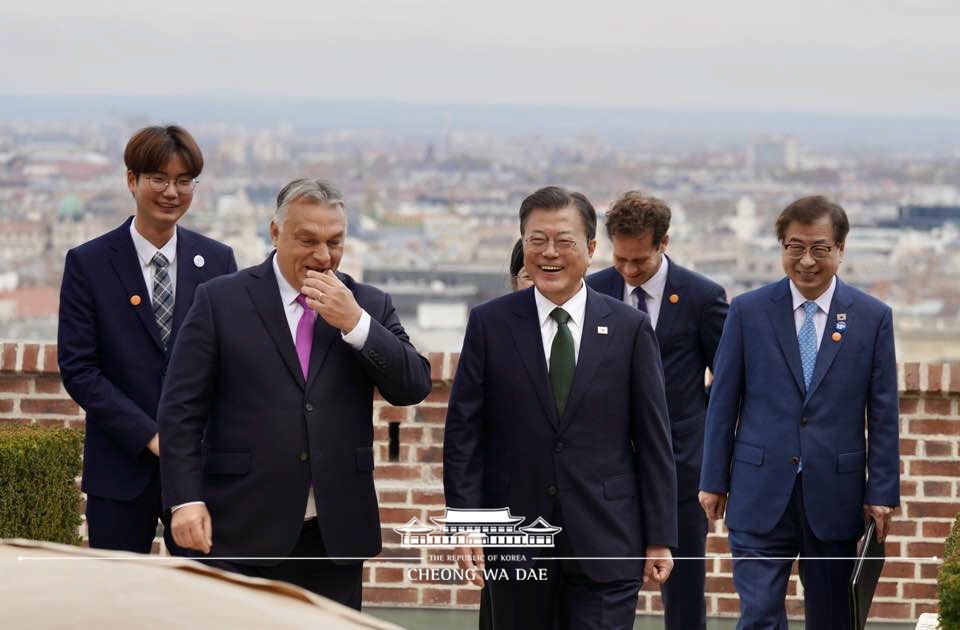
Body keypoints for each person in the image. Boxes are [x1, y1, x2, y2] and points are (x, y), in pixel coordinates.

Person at [157, 178, 432, 609]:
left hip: (335, 533)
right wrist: (185, 500)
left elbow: (413, 386)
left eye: (335, 242)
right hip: (241, 526)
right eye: (307, 240)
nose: (323, 256)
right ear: (275, 232)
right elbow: (180, 412)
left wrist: (356, 324)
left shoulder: (369, 304)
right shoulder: (220, 300)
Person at [444, 186, 677, 630]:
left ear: (590, 249)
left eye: (564, 241)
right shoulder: (490, 324)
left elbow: (653, 440)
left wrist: (660, 537)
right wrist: (467, 526)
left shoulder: (629, 328)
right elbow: (463, 435)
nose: (549, 253)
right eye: (537, 240)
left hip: (607, 536)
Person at [699, 195, 899, 629]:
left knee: (831, 619)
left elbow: (883, 412)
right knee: (758, 617)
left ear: (840, 251)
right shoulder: (748, 311)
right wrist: (712, 479)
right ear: (781, 248)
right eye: (794, 247)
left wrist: (882, 491)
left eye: (819, 249)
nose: (806, 260)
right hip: (758, 488)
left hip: (836, 494)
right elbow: (723, 401)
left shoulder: (872, 317)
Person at [57, 125, 237, 553]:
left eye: (183, 181)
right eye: (158, 178)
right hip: (122, 466)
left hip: (200, 468)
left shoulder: (217, 259)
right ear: (132, 181)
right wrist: (150, 435)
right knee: (118, 602)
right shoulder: (89, 262)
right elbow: (79, 369)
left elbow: (233, 360)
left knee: (203, 595)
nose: (171, 192)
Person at [586, 191, 727, 630]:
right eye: (621, 259)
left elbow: (727, 380)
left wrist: (700, 437)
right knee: (602, 588)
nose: (628, 271)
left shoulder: (703, 296)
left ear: (664, 243)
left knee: (684, 597)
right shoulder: (593, 290)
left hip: (680, 470)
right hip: (607, 470)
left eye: (640, 261)